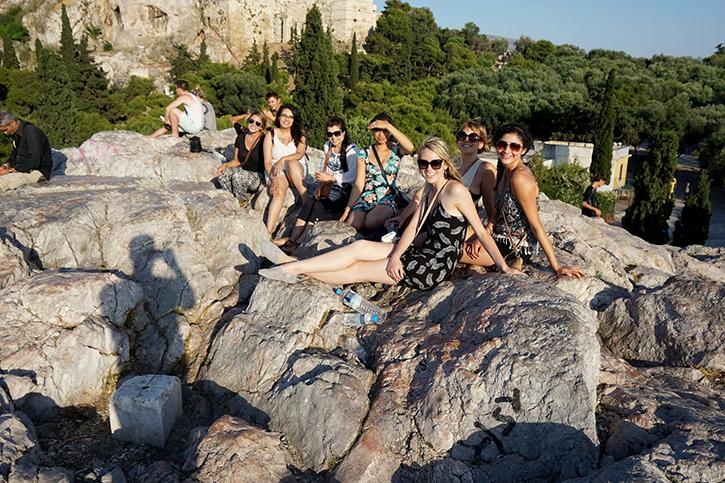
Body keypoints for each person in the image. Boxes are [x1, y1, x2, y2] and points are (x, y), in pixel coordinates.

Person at [259, 136, 522, 288]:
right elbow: (412, 228)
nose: (428, 168)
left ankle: (294, 269)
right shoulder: (430, 189)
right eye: (423, 163)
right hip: (420, 250)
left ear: (444, 165)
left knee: (358, 270)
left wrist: (504, 267)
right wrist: (396, 254)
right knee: (359, 247)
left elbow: (480, 231)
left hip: (432, 265)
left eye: (434, 163)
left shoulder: (455, 191)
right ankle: (293, 267)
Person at [460, 123, 585, 279]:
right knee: (444, 233)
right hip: (497, 235)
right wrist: (482, 235)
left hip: (512, 247)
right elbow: (496, 216)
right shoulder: (504, 171)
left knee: (449, 248)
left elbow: (536, 225)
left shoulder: (520, 178)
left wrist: (557, 267)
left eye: (514, 147)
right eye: (502, 144)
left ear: (524, 150)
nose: (507, 150)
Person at [278, 116, 362, 253]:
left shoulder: (352, 151)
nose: (333, 138)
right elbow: (327, 168)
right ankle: (292, 238)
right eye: (330, 134)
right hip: (329, 189)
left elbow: (353, 177)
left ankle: (300, 242)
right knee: (310, 202)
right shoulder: (327, 146)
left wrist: (333, 178)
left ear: (344, 133)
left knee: (318, 206)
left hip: (344, 193)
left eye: (337, 133)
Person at [346, 112, 415, 234]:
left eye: (385, 130)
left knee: (371, 222)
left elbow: (410, 147)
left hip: (387, 196)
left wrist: (388, 125)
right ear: (372, 131)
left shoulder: (396, 150)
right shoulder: (364, 153)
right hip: (366, 197)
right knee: (352, 225)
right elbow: (359, 184)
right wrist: (347, 210)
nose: (381, 134)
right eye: (377, 130)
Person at [263, 104, 308, 234]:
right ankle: (268, 232)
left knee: (293, 163)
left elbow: (299, 154)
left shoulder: (300, 135)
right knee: (278, 192)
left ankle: (305, 200)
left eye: (290, 117)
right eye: (284, 115)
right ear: (278, 117)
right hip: (276, 170)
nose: (287, 119)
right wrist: (273, 180)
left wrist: (283, 159)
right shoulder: (271, 135)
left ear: (294, 119)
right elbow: (267, 161)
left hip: (296, 169)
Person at [213, 109, 266, 201]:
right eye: (251, 121)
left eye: (258, 123)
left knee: (237, 176)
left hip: (258, 176)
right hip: (243, 172)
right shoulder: (241, 137)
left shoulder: (264, 140)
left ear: (261, 127)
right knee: (223, 175)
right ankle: (231, 200)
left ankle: (242, 200)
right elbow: (237, 160)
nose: (253, 124)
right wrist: (225, 165)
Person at [0, 111, 52, 193]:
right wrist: (6, 165)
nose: (5, 133)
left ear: (12, 123)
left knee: (1, 183)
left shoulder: (31, 131)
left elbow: (35, 161)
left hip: (36, 173)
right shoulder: (17, 134)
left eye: (5, 130)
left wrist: (11, 170)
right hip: (22, 170)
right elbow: (14, 155)